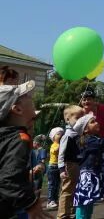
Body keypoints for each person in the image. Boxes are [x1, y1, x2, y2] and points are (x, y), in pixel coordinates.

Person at [0, 80, 50, 219]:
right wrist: (32, 204)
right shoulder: (19, 139)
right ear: (17, 109)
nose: (30, 96)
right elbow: (9, 180)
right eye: (26, 96)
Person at [72, 114, 104, 219]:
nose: (96, 123)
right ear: (85, 130)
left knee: (89, 202)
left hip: (93, 174)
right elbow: (100, 144)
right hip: (87, 176)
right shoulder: (88, 140)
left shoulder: (93, 139)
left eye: (95, 121)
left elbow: (100, 147)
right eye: (92, 122)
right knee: (84, 202)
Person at [58, 105, 85, 219]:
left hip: (78, 164)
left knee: (75, 189)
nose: (80, 121)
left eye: (82, 118)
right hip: (69, 164)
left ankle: (72, 212)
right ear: (68, 119)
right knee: (67, 190)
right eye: (77, 118)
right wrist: (61, 169)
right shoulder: (67, 135)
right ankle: (62, 215)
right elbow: (61, 153)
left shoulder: (79, 134)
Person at [46, 127, 64, 210]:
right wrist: (61, 145)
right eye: (58, 134)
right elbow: (55, 151)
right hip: (52, 167)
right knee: (52, 184)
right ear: (53, 137)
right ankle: (50, 201)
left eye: (62, 134)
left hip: (59, 166)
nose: (61, 135)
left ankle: (55, 199)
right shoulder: (54, 145)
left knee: (57, 185)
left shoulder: (62, 144)